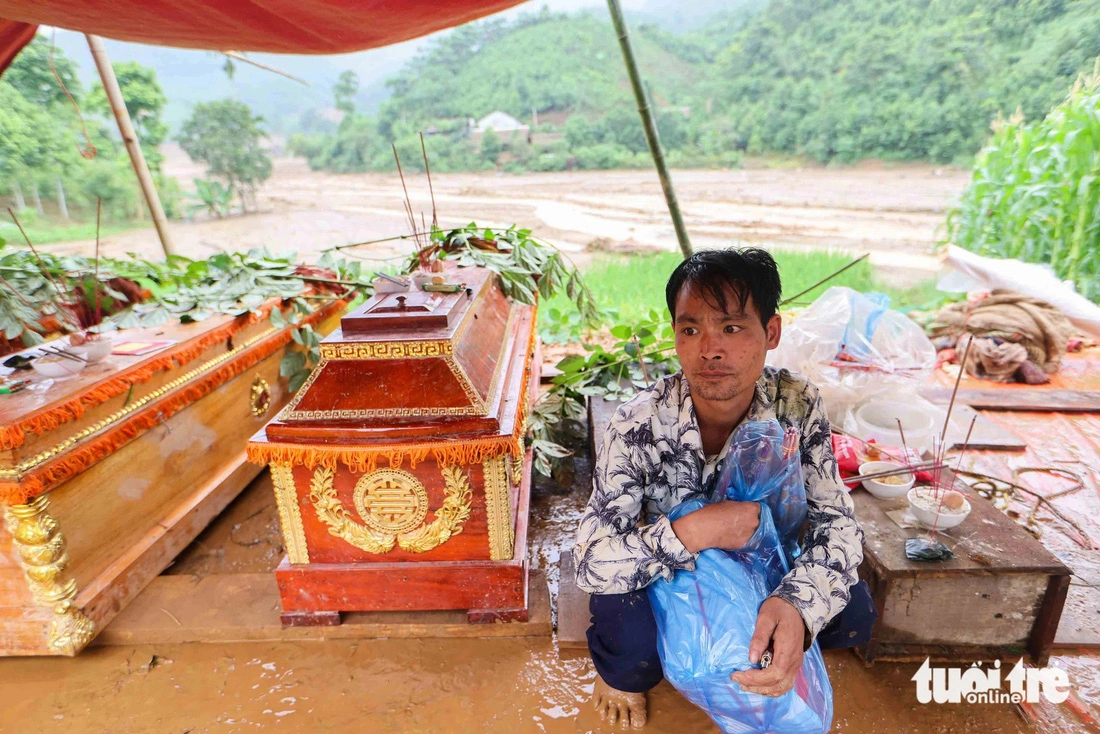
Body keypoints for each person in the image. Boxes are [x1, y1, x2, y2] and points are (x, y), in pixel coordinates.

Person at [572, 248, 877, 729]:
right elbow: (591, 561)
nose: (709, 349)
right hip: (670, 569)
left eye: (732, 328)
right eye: (690, 330)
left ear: (770, 333)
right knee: (630, 647)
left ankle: (767, 644)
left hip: (764, 561)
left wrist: (796, 603)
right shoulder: (639, 423)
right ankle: (618, 677)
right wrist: (697, 531)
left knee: (853, 615)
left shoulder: (795, 405)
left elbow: (837, 525)